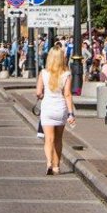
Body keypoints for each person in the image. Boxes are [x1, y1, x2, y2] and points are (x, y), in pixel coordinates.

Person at [36, 43, 74, 174]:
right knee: (58, 139)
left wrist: (42, 95)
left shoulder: (43, 73)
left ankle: (48, 163)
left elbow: (38, 92)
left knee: (48, 139)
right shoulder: (67, 74)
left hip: (47, 108)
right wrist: (71, 114)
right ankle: (57, 166)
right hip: (61, 108)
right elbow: (67, 94)